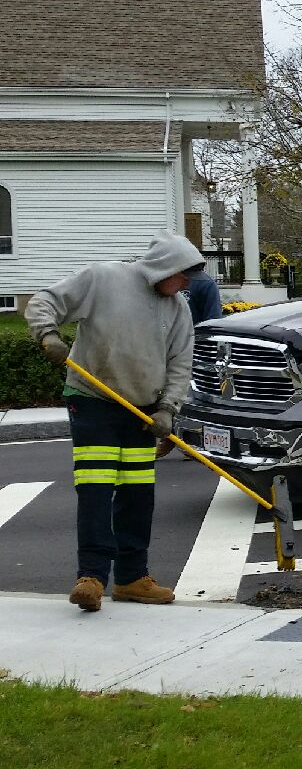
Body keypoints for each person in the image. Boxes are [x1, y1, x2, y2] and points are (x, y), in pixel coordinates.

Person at [25, 231, 205, 612]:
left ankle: (131, 577)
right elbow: (45, 301)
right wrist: (47, 333)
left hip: (142, 410)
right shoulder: (102, 279)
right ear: (164, 267)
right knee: (96, 486)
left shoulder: (178, 309)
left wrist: (167, 409)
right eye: (183, 274)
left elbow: (180, 363)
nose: (187, 283)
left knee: (137, 493)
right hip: (93, 399)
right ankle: (90, 577)